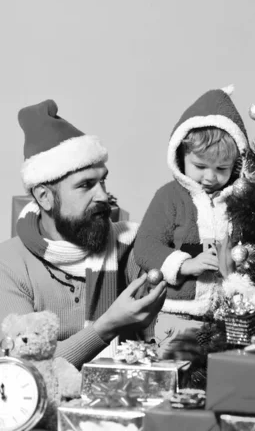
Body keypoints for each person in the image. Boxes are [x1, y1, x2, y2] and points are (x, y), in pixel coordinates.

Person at [0, 99, 166, 369]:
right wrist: (106, 327)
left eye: (103, 181)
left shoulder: (129, 245)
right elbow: (27, 368)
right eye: (86, 185)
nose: (103, 196)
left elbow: (182, 288)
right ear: (44, 197)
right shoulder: (8, 264)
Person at [134, 86, 249, 354]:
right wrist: (185, 265)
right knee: (178, 372)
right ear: (181, 156)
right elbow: (146, 246)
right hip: (178, 312)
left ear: (237, 165)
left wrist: (242, 259)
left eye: (221, 169)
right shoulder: (170, 197)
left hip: (229, 312)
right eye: (200, 167)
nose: (210, 177)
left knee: (226, 373)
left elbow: (252, 243)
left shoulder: (240, 200)